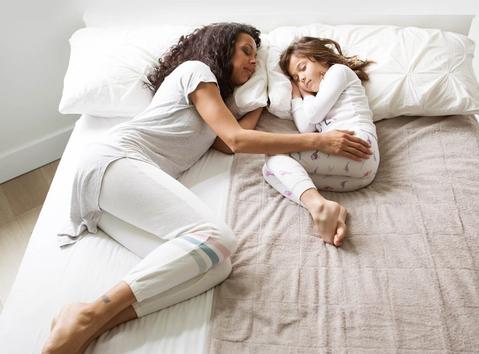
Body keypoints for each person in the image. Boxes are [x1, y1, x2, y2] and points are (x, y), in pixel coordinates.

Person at [42, 25, 372, 353]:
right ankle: (89, 314)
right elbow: (236, 140)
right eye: (245, 50)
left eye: (256, 56)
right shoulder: (196, 71)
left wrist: (259, 100)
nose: (252, 61)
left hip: (112, 192)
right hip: (115, 160)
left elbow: (227, 145)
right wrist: (319, 140)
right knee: (219, 237)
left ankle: (92, 323)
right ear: (221, 47)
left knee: (217, 268)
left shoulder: (217, 104)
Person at [263, 36, 379, 247]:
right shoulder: (317, 98)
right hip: (361, 176)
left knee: (275, 157)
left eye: (303, 67)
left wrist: (302, 95)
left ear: (322, 59)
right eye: (296, 78)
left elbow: (313, 116)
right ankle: (324, 206)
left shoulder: (339, 72)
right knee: (271, 172)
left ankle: (319, 208)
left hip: (357, 144)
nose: (302, 79)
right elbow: (306, 127)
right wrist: (299, 96)